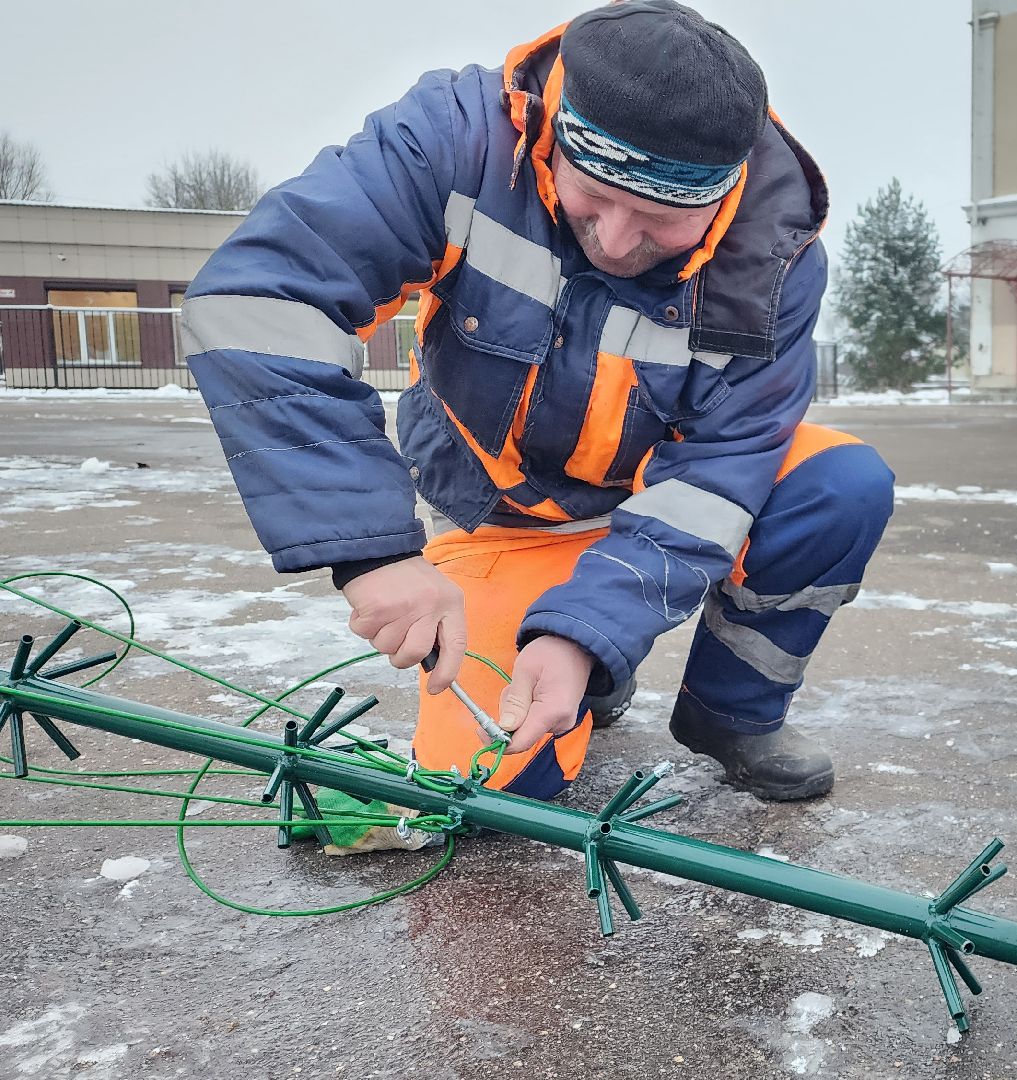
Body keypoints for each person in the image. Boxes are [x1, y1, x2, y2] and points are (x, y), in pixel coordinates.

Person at [180, 0, 893, 804]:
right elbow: (259, 301)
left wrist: (582, 634)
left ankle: (730, 712)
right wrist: (375, 552)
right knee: (485, 791)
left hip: (644, 498)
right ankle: (585, 664)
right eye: (594, 196)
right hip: (503, 515)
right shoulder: (454, 142)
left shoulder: (775, 257)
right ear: (555, 135)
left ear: (722, 195)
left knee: (840, 483)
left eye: (661, 219)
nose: (617, 241)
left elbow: (720, 470)